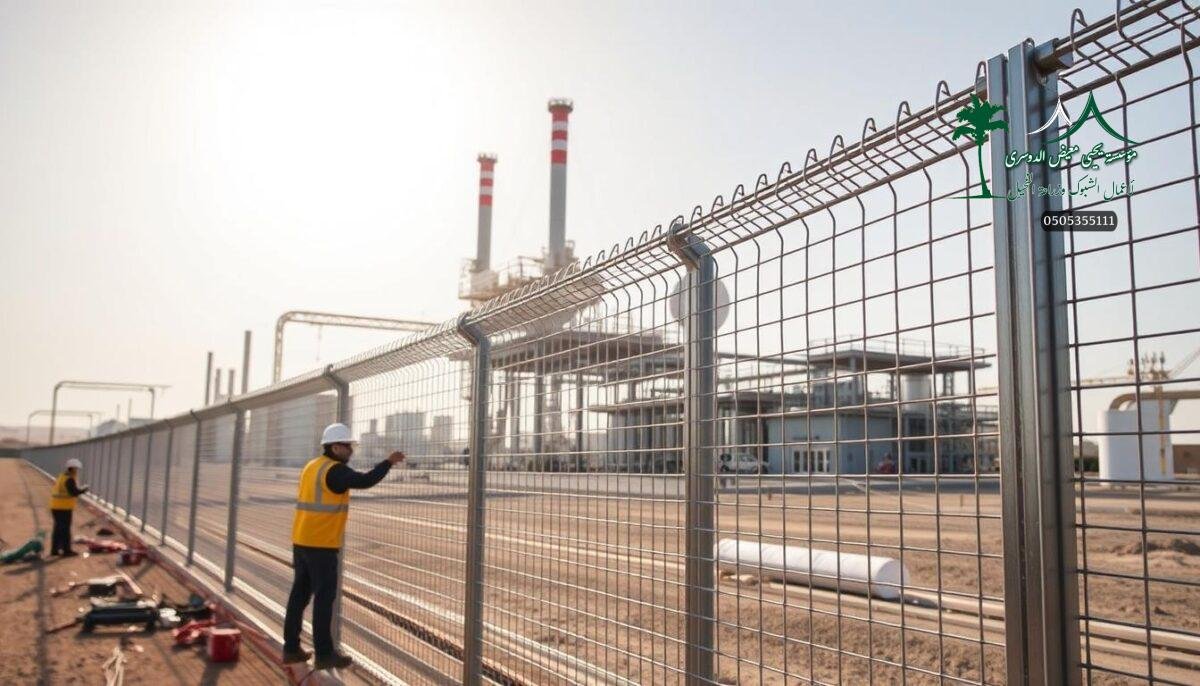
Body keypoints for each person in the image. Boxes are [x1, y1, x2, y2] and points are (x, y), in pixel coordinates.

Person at [282, 422, 405, 670]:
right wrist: (388, 462)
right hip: (321, 545)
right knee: (323, 599)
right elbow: (365, 480)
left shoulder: (312, 466)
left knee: (299, 596)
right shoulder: (334, 471)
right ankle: (324, 654)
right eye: (348, 446)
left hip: (302, 540)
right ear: (336, 447)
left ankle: (291, 649)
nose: (351, 450)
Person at [49, 458, 88, 556]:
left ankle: (54, 550)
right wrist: (84, 490)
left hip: (55, 506)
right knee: (65, 529)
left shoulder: (62, 476)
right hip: (64, 508)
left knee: (58, 529)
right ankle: (66, 550)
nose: (77, 471)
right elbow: (73, 492)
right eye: (76, 469)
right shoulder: (69, 479)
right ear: (73, 468)